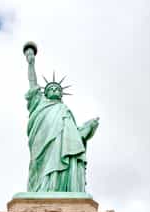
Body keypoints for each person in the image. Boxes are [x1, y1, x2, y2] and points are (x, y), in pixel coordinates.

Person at [23, 42, 99, 192]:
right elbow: (32, 83)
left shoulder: (65, 110)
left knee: (63, 157)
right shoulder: (39, 102)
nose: (54, 90)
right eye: (50, 88)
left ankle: (60, 189)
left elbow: (74, 139)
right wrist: (31, 64)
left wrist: (87, 129)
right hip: (43, 141)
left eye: (57, 89)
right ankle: (43, 189)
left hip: (62, 144)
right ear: (45, 92)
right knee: (43, 164)